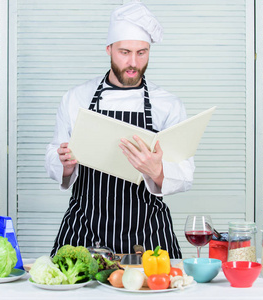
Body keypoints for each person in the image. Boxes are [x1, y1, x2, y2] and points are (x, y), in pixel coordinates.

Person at [45, 0, 195, 258]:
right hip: (84, 231)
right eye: (124, 52)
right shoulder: (76, 98)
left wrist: (157, 171)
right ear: (109, 49)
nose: (133, 62)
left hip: (147, 235)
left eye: (142, 52)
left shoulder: (167, 104)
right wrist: (65, 165)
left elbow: (185, 174)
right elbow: (53, 159)